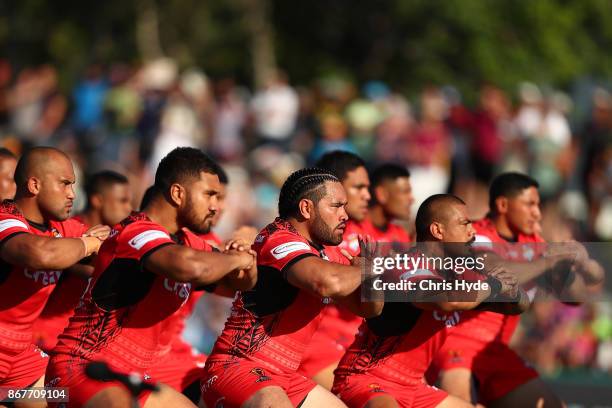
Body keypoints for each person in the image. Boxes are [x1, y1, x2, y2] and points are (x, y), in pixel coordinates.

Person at [46, 147, 257, 408]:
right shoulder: (137, 230)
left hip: (136, 373)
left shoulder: (188, 241)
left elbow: (240, 285)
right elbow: (190, 267)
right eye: (210, 195)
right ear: (178, 193)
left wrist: (246, 255)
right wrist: (238, 259)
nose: (216, 206)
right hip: (85, 367)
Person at [201, 167, 383, 408]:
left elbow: (370, 309)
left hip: (285, 377)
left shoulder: (327, 251)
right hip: (239, 366)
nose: (345, 215)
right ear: (307, 208)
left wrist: (371, 274)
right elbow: (326, 283)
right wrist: (368, 269)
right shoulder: (279, 238)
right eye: (336, 206)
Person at [332, 194, 529, 408]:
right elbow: (448, 301)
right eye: (464, 224)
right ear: (438, 231)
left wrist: (511, 287)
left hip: (413, 387)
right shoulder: (406, 266)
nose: (473, 233)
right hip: (368, 379)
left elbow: (518, 306)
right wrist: (496, 285)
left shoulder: (460, 274)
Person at [431, 173, 601, 407]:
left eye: (538, 205)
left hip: (496, 351)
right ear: (503, 205)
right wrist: (550, 261)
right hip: (456, 345)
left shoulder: (532, 243)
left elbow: (575, 299)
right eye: (530, 204)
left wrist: (573, 263)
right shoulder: (476, 235)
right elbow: (498, 272)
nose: (537, 213)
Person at [0, 147, 109, 405]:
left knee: (65, 399)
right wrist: (89, 244)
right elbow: (41, 253)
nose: (72, 194)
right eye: (65, 184)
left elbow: (110, 248)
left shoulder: (60, 227)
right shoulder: (5, 219)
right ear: (35, 184)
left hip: (20, 358)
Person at [296, 151, 372, 390]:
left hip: (357, 345)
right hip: (319, 349)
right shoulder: (316, 237)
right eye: (358, 187)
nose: (367, 196)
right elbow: (331, 283)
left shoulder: (371, 233)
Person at [33, 170, 132, 352]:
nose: (129, 208)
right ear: (97, 200)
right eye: (122, 201)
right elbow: (79, 266)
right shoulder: (68, 230)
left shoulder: (112, 237)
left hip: (77, 341)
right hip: (44, 338)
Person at [361, 163, 413, 243]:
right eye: (405, 192)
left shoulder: (401, 237)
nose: (412, 199)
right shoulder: (349, 233)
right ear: (381, 194)